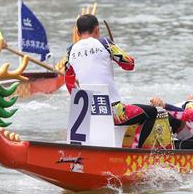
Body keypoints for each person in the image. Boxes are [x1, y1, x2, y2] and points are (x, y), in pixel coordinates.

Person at [65, 14, 162, 149]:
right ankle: (136, 152)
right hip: (114, 113)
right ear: (97, 30)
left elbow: (69, 84)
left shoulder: (70, 51)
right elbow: (129, 64)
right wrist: (113, 48)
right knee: (152, 112)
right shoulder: (104, 43)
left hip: (87, 114)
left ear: (77, 32)